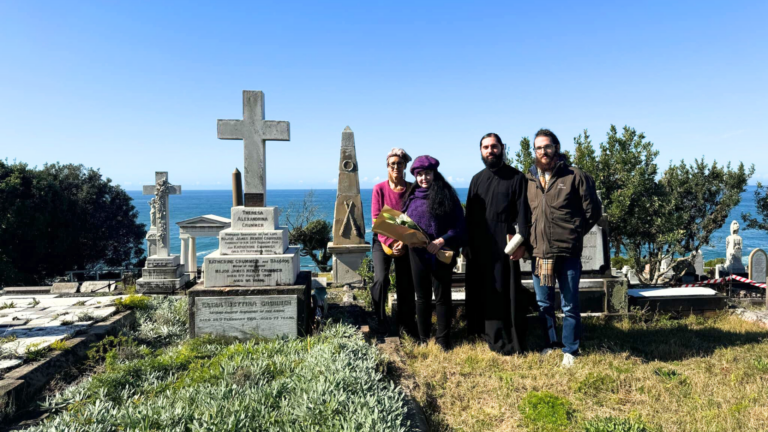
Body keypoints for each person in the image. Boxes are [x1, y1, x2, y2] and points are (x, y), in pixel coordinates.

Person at [526, 129, 601, 367]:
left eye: (547, 146)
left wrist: (574, 233)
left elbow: (593, 212)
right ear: (535, 151)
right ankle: (550, 344)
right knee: (544, 303)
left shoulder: (575, 176)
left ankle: (570, 349)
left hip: (567, 253)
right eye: (538, 148)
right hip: (541, 254)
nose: (543, 152)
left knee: (570, 304)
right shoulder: (529, 179)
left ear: (556, 147)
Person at [465, 133, 530, 355]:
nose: (490, 151)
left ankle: (503, 336)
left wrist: (522, 244)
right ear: (481, 151)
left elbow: (524, 216)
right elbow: (470, 215)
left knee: (504, 290)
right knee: (480, 288)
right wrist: (466, 243)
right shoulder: (476, 179)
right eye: (485, 147)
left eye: (494, 146)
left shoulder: (517, 178)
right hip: (478, 242)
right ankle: (480, 330)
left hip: (505, 243)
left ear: (502, 148)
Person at [404, 155, 466, 350]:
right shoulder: (411, 198)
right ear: (415, 176)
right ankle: (424, 339)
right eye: (420, 174)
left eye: (427, 174)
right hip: (417, 254)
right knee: (421, 297)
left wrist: (441, 240)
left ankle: (443, 340)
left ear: (434, 173)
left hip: (441, 252)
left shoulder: (447, 195)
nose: (424, 178)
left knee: (442, 296)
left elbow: (459, 225)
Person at [370, 148, 417, 336]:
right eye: (392, 164)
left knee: (405, 283)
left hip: (406, 241)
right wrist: (390, 242)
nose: (396, 167)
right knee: (381, 279)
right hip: (382, 239)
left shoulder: (413, 189)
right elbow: (376, 218)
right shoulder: (379, 189)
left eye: (400, 163)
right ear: (387, 167)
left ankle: (405, 324)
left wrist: (404, 243)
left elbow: (415, 219)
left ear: (405, 166)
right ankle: (379, 320)